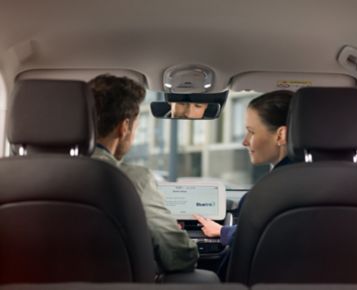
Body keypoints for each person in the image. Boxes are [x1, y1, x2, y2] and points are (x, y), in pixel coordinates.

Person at [89, 74, 199, 274]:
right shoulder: (131, 180)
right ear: (124, 128)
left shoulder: (32, 176)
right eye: (136, 128)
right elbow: (178, 256)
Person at [194, 89, 294, 246]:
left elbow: (254, 237)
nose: (245, 141)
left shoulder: (267, 193)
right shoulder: (332, 181)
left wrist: (222, 231)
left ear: (280, 135)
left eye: (251, 132)